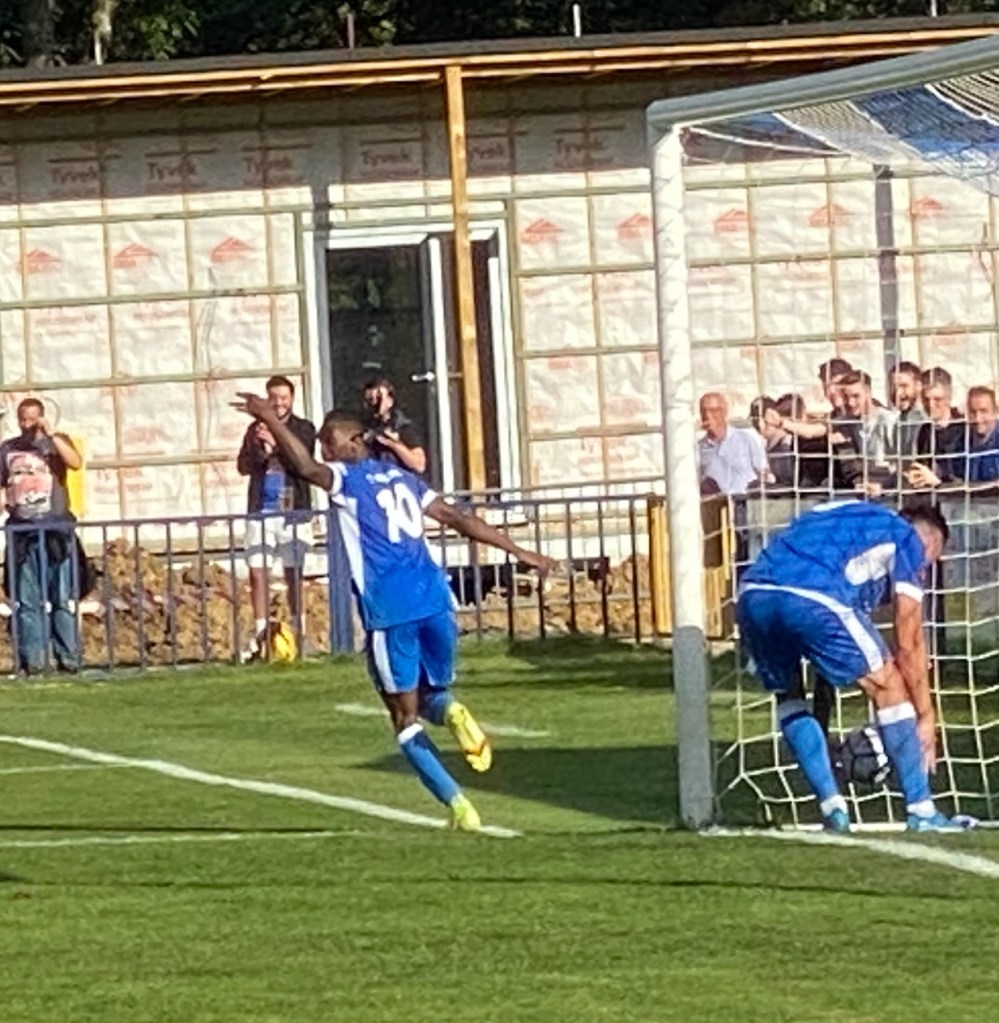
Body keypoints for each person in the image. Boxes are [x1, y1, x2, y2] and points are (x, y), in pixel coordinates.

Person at [234, 392, 555, 832]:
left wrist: (268, 416)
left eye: (329, 442)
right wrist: (519, 551)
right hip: (436, 601)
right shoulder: (404, 478)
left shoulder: (346, 479)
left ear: (353, 443)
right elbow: (457, 518)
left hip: (391, 609)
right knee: (430, 693)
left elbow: (305, 469)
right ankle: (453, 713)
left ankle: (459, 806)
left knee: (403, 717)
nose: (324, 450)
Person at [736, 499, 972, 833]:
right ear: (928, 542)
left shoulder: (836, 515)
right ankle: (921, 810)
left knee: (788, 697)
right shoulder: (907, 537)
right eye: (926, 566)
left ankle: (833, 809)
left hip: (752, 595)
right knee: (888, 685)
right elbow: (909, 641)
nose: (921, 573)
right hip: (814, 599)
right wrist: (925, 715)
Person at [236, 375, 317, 658]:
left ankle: (298, 631)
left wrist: (277, 444)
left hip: (293, 511)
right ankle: (261, 635)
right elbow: (243, 466)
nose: (279, 403)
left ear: (292, 399)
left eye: (284, 398)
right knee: (258, 572)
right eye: (273, 398)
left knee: (293, 573)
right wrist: (262, 450)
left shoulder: (304, 428)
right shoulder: (254, 429)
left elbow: (303, 462)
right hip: (261, 509)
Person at [0, 398, 82, 675]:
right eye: (22, 419)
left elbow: (76, 463)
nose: (26, 425)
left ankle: (68, 658)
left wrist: (51, 434)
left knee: (62, 597)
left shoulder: (56, 444)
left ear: (42, 418)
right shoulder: (8, 449)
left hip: (56, 530)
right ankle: (33, 660)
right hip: (22, 533)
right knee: (26, 600)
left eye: (32, 419)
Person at [698, 392, 769, 495]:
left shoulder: (746, 439)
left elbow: (763, 472)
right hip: (717, 502)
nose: (707, 415)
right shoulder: (698, 449)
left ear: (724, 412)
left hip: (746, 499)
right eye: (704, 411)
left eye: (713, 410)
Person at [362, 377, 427, 475]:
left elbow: (419, 465)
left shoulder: (402, 426)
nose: (374, 403)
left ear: (390, 401)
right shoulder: (361, 427)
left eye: (379, 398)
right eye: (370, 399)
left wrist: (393, 444)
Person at [889, 360, 928, 458]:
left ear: (918, 386)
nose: (898, 393)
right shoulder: (900, 419)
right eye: (894, 387)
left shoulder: (925, 419)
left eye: (904, 386)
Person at [964, 385, 999, 484]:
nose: (978, 418)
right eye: (973, 412)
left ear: (996, 411)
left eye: (983, 411)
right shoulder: (959, 442)